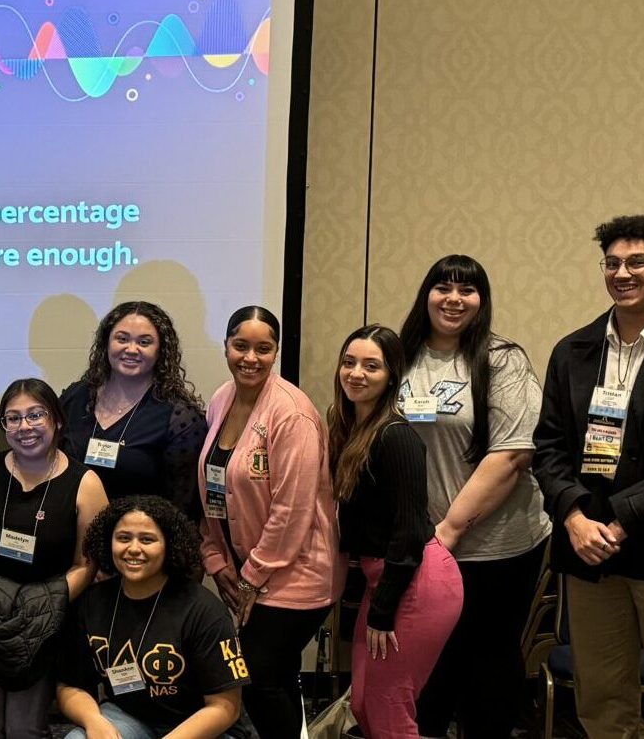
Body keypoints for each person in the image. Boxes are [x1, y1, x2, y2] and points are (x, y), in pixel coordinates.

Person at [531, 216, 644, 739]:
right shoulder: (574, 349)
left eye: (637, 262)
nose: (621, 273)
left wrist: (624, 520)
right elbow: (549, 447)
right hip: (588, 549)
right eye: (612, 263)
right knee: (602, 702)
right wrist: (574, 516)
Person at [397, 254, 549, 739]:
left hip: (496, 546)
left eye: (468, 290)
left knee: (486, 667)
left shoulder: (502, 359)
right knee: (429, 666)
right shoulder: (401, 355)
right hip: (420, 545)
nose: (454, 299)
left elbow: (511, 456)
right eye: (444, 287)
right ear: (427, 294)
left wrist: (447, 534)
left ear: (482, 301)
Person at [197, 306, 338, 739]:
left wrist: (249, 579)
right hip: (246, 571)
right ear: (225, 347)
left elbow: (291, 513)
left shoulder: (291, 413)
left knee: (257, 679)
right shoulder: (221, 398)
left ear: (276, 352)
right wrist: (216, 560)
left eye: (264, 348)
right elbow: (213, 486)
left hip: (297, 575)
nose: (251, 358)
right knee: (274, 678)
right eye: (241, 346)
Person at [0, 378, 110, 739]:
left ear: (57, 420)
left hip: (47, 623)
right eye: (12, 418)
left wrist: (41, 604)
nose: (24, 427)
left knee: (22, 727)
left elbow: (88, 564)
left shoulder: (86, 482)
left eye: (36, 415)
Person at [327, 325, 463, 739]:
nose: (356, 373)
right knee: (364, 704)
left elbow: (407, 532)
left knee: (389, 711)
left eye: (372, 366)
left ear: (391, 376)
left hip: (414, 581)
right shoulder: (350, 431)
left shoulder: (397, 437)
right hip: (383, 579)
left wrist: (384, 608)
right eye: (349, 363)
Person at [56, 496, 250, 739]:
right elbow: (69, 686)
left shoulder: (204, 610)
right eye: (123, 538)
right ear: (109, 542)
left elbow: (225, 707)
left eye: (147, 540)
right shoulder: (91, 603)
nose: (134, 549)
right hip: (129, 717)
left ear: (169, 545)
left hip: (201, 725)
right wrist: (93, 721)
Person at [59, 301, 209, 521]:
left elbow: (181, 509)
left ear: (161, 351)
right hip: (69, 537)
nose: (131, 349)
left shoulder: (180, 419)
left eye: (144, 342)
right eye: (122, 339)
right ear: (106, 343)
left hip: (135, 545)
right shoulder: (76, 396)